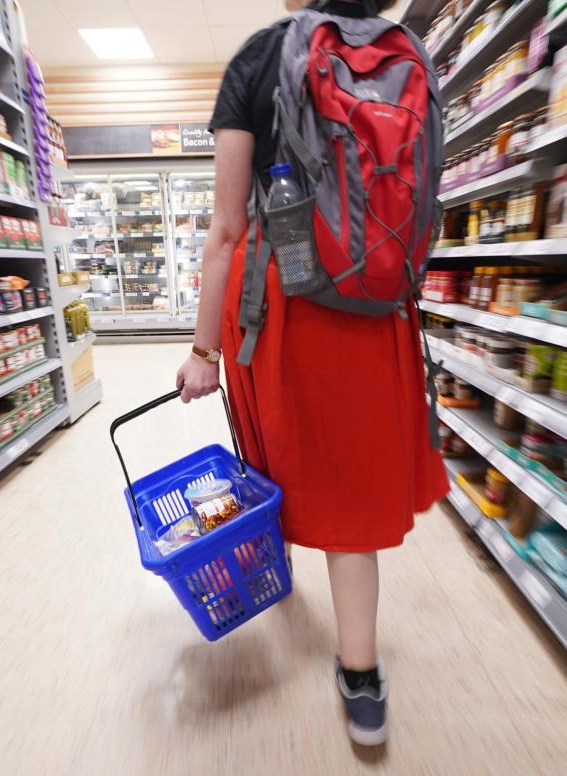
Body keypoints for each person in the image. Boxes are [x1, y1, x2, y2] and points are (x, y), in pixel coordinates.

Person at [175, 0, 448, 747]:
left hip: (279, 303)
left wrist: (202, 351)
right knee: (351, 490)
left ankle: (278, 572)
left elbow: (227, 230)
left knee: (279, 455)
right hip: (373, 306)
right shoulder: (408, 57)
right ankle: (361, 678)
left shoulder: (258, 57)